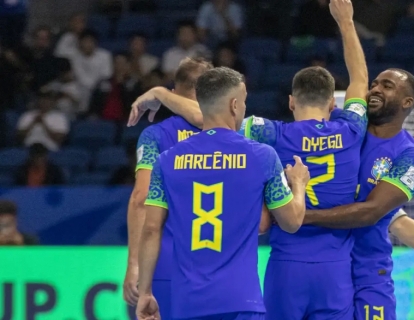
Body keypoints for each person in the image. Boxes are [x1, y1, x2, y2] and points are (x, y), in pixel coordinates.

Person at [132, 0, 368, 318]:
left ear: (290, 102)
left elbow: (207, 118)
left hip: (277, 269)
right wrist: (346, 23)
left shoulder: (270, 134)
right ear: (332, 103)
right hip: (330, 270)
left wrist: (160, 93)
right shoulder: (350, 129)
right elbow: (360, 81)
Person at [136, 67, 310, 320]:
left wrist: (145, 291)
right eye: (245, 102)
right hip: (241, 301)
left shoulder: (167, 161)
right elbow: (292, 222)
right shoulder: (262, 156)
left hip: (188, 304)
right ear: (235, 105)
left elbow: (151, 229)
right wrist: (298, 184)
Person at [303, 68, 414, 320]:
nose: (375, 89)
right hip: (319, 262)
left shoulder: (410, 156)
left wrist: (300, 216)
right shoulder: (340, 124)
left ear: (407, 102)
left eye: (387, 86)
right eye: (374, 83)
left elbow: (374, 212)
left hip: (368, 270)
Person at [122, 57, 213, 320]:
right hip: (223, 259)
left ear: (174, 95)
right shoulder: (235, 131)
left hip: (169, 260)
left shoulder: (155, 136)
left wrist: (135, 264)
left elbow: (141, 199)